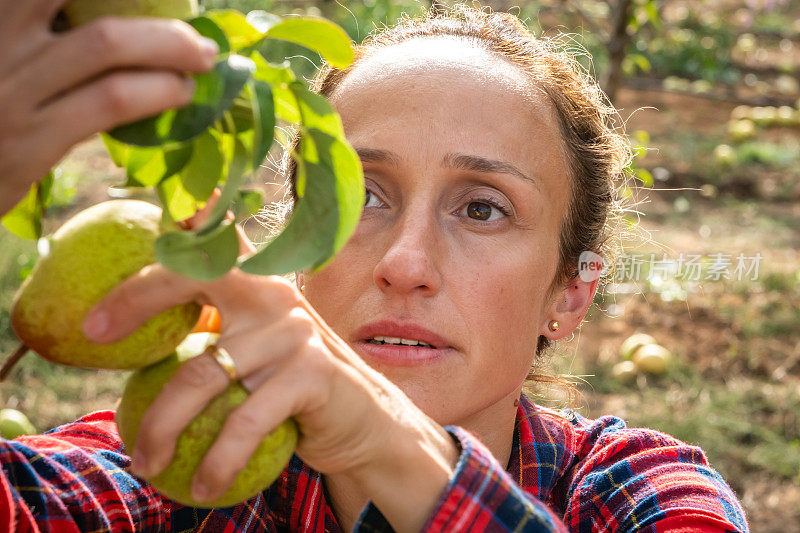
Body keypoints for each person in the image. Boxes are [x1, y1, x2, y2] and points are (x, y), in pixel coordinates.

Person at [0, 2, 749, 532]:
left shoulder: (633, 492)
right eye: (358, 198)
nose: (406, 263)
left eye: (483, 208)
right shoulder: (180, 465)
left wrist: (383, 445)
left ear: (570, 293)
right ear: (293, 249)